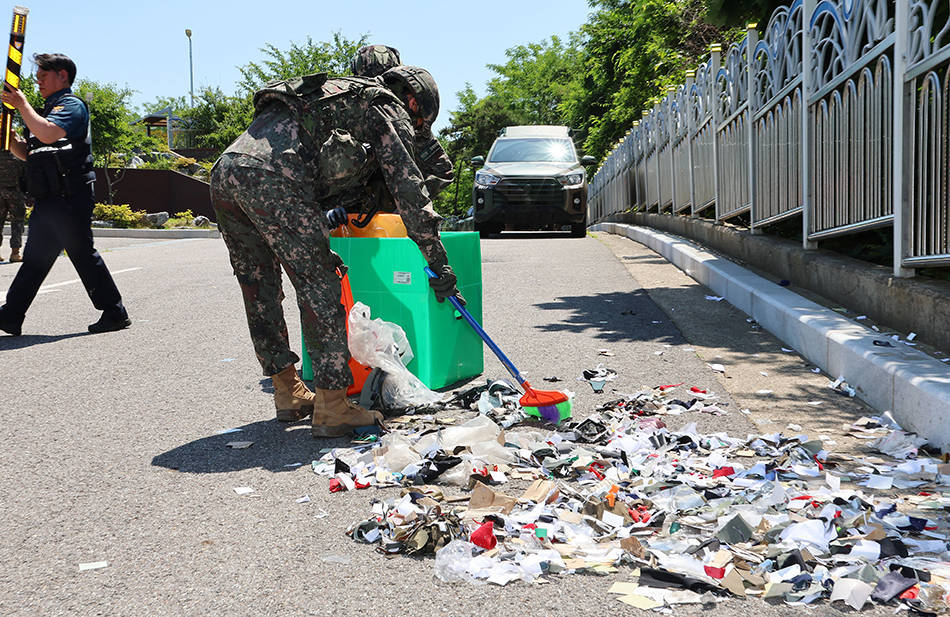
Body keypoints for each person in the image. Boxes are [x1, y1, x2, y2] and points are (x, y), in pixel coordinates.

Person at [210, 65, 464, 438]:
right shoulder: (388, 107)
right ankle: (332, 405)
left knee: (259, 287)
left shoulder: (341, 92)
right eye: (420, 121)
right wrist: (438, 263)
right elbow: (409, 191)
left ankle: (288, 391)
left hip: (226, 171)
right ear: (413, 101)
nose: (416, 128)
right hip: (275, 177)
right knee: (320, 286)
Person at [0, 53, 130, 336]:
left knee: (80, 253)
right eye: (37, 78)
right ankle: (10, 315)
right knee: (38, 257)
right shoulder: (44, 112)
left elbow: (48, 135)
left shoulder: (71, 106)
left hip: (70, 196)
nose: (38, 83)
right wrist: (8, 137)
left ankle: (114, 312)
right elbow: (29, 152)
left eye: (43, 77)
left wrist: (21, 105)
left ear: (63, 75)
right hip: (49, 198)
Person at [0, 150, 26, 262]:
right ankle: (15, 253)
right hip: (14, 192)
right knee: (17, 222)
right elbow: (25, 173)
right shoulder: (17, 152)